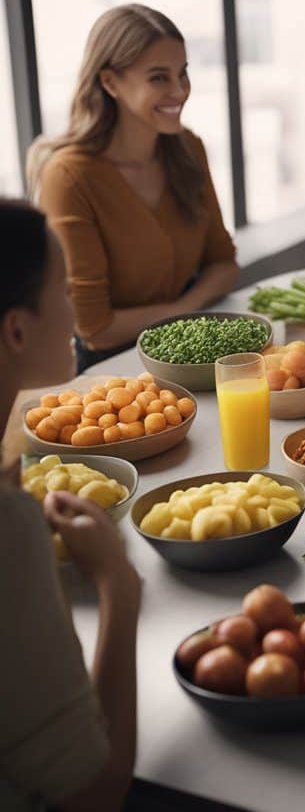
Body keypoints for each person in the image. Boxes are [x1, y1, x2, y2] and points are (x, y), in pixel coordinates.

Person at [0, 201, 141, 811]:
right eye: (64, 288)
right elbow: (95, 793)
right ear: (16, 330)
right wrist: (118, 585)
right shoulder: (10, 528)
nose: (78, 308)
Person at [27, 4, 238, 373]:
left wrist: (182, 314)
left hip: (192, 355)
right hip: (114, 373)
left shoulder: (189, 149)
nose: (180, 91)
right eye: (159, 78)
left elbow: (224, 262)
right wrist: (185, 310)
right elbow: (96, 328)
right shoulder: (69, 176)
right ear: (110, 82)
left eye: (182, 73)